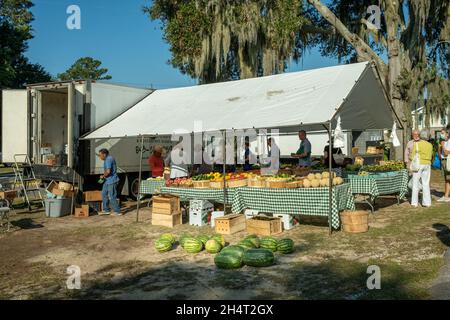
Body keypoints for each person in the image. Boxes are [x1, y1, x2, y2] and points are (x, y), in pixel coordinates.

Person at [409, 130, 433, 208]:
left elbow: (412, 156)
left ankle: (414, 202)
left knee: (415, 183)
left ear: (420, 136)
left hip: (419, 164)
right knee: (426, 183)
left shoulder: (417, 144)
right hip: (427, 164)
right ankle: (427, 202)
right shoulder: (430, 145)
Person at [98, 149, 121, 216]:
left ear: (104, 154)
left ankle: (117, 211)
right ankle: (106, 210)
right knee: (104, 193)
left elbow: (108, 171)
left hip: (112, 180)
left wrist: (102, 176)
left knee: (112, 196)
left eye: (100, 155)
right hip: (107, 180)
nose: (100, 157)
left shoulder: (108, 159)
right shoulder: (107, 159)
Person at [437, 129, 450, 202]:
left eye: (443, 133)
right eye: (440, 133)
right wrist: (439, 147)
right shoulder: (444, 142)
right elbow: (440, 155)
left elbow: (446, 153)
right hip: (443, 161)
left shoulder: (449, 142)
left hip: (448, 161)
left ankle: (446, 196)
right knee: (447, 179)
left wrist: (443, 146)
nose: (441, 135)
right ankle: (446, 196)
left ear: (447, 134)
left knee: (448, 179)